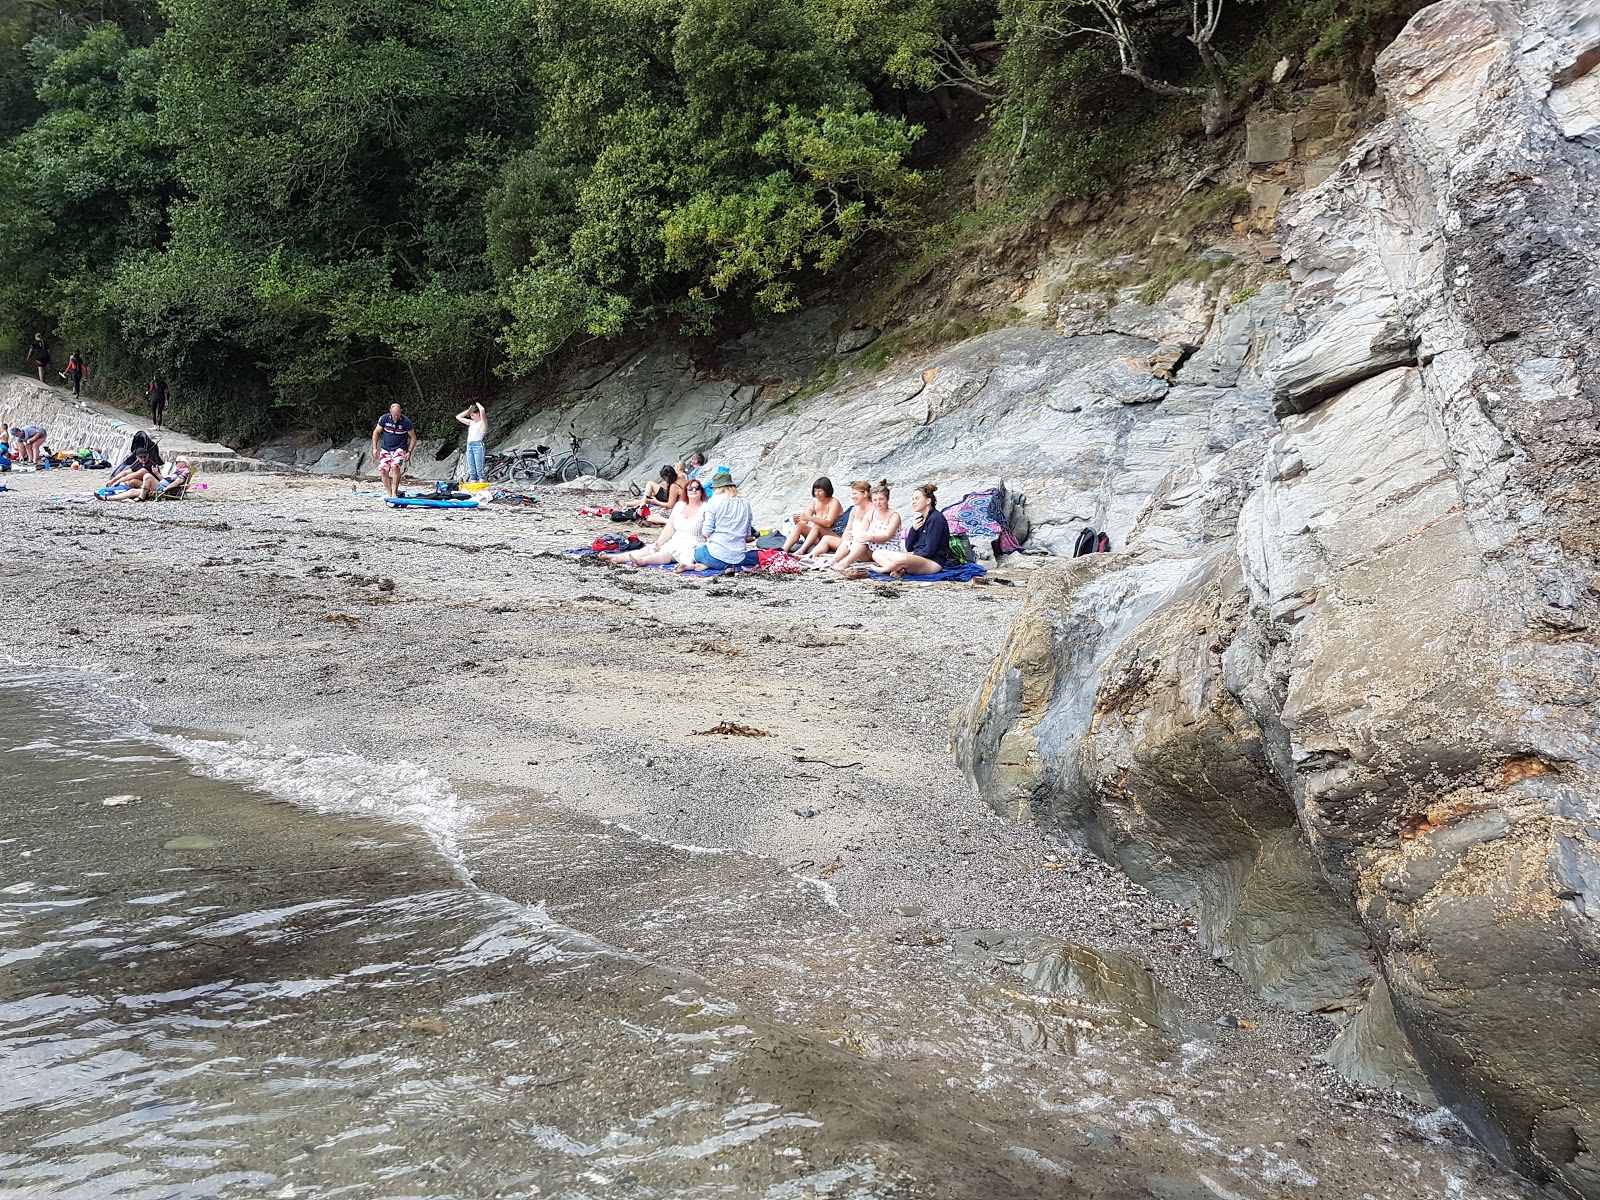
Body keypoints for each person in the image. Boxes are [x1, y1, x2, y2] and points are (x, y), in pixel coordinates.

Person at [608, 477, 708, 566]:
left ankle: (643, 561)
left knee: (666, 553)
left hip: (694, 543)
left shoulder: (706, 508)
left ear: (701, 491)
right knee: (651, 548)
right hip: (676, 540)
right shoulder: (679, 505)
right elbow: (670, 528)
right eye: (690, 488)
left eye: (697, 488)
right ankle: (618, 558)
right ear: (686, 491)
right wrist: (659, 542)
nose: (693, 490)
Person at [679, 470, 753, 574]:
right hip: (739, 558)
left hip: (715, 556)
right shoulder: (746, 503)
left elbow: (706, 532)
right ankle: (708, 565)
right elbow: (748, 535)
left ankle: (691, 564)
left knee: (690, 552)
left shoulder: (714, 501)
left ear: (717, 488)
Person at [872, 483, 951, 578]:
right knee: (877, 553)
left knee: (903, 558)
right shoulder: (920, 520)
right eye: (913, 499)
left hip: (932, 562)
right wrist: (913, 530)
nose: (913, 502)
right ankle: (898, 569)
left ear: (928, 501)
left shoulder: (936, 519)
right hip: (917, 558)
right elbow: (909, 547)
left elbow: (929, 550)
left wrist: (913, 554)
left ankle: (883, 569)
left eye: (917, 499)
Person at [827, 479, 900, 574]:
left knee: (863, 541)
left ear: (887, 499)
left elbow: (886, 536)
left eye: (881, 499)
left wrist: (869, 537)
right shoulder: (871, 514)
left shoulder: (894, 515)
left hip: (887, 549)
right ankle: (834, 560)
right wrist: (852, 535)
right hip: (872, 548)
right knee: (852, 539)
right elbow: (861, 531)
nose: (878, 502)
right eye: (875, 500)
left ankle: (844, 563)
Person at [808, 480, 870, 560]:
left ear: (864, 494)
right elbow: (847, 530)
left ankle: (835, 559)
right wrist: (845, 539)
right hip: (849, 542)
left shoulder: (872, 511)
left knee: (852, 544)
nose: (852, 497)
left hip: (863, 546)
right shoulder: (854, 510)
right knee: (826, 538)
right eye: (852, 494)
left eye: (855, 494)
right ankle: (809, 556)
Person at [783, 477, 845, 554]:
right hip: (817, 537)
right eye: (815, 490)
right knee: (800, 526)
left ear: (827, 491)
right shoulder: (814, 504)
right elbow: (803, 523)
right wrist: (797, 521)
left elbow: (828, 523)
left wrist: (810, 518)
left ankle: (801, 550)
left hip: (834, 537)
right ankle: (783, 550)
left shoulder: (834, 503)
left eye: (820, 491)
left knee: (817, 526)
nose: (817, 494)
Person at [371, 402, 416, 499]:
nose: (395, 417)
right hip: (386, 448)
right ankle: (390, 494)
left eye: (398, 415)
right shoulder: (384, 418)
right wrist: (374, 448)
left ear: (401, 413)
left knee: (395, 466)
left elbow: (413, 437)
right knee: (383, 470)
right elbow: (376, 432)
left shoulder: (406, 422)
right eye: (394, 414)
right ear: (390, 411)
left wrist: (409, 451)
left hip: (400, 448)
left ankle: (395, 492)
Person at [455, 401, 488, 482]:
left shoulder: (483, 422)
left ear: (478, 414)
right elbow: (458, 417)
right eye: (470, 416)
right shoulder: (472, 422)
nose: (471, 417)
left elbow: (482, 410)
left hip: (478, 445)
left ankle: (481, 485)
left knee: (479, 469)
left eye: (473, 415)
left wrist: (477, 404)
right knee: (472, 469)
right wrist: (469, 410)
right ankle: (473, 483)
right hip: (469, 445)